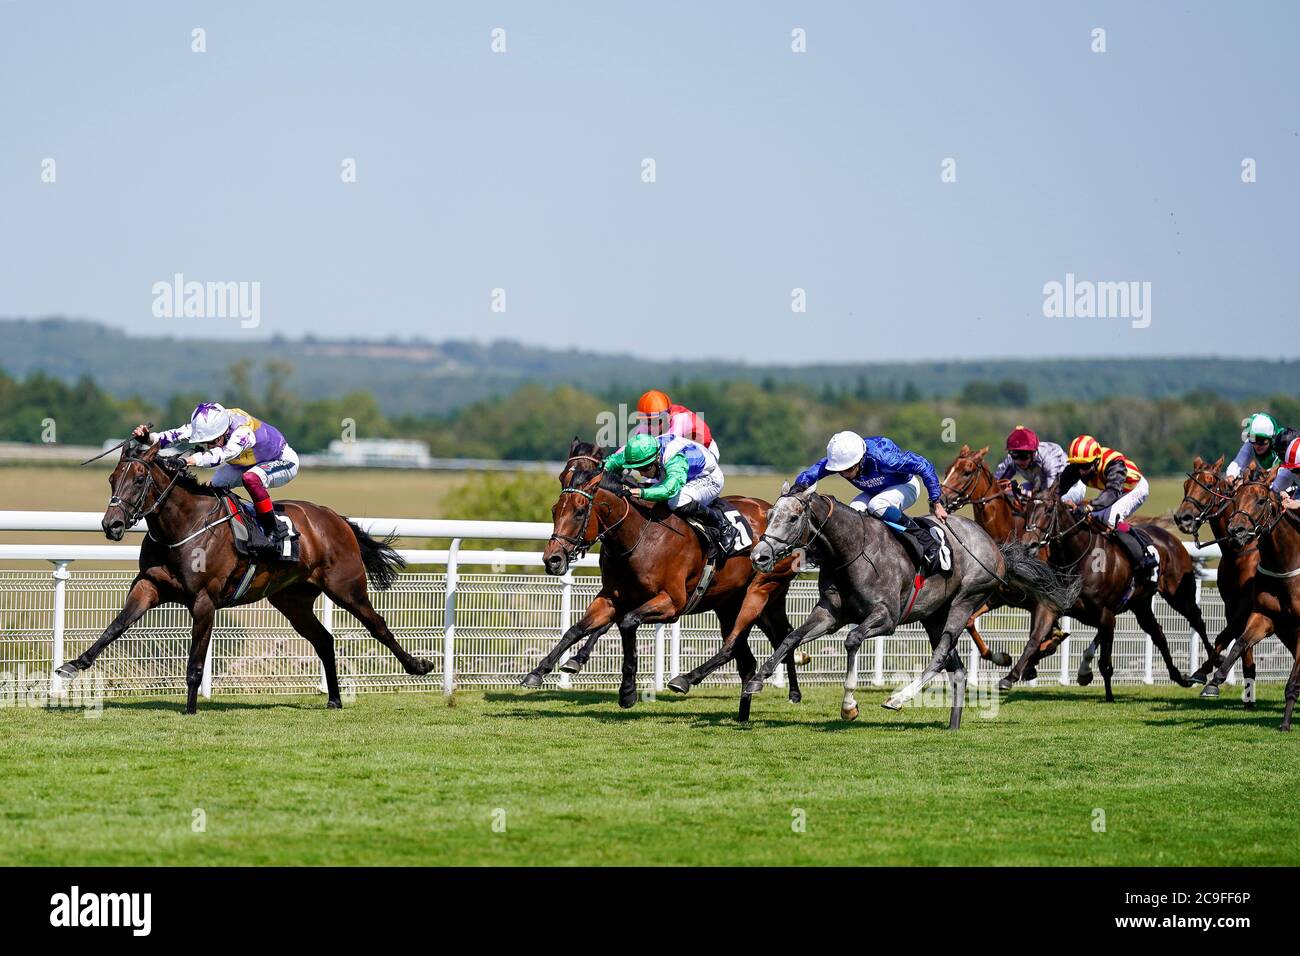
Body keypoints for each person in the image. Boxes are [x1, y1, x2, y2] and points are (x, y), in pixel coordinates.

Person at [134, 402, 298, 557]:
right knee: (214, 487)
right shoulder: (209, 425)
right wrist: (147, 439)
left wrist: (187, 460)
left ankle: (273, 532)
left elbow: (221, 455)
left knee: (251, 479)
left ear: (225, 431)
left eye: (213, 441)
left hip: (280, 460)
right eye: (206, 442)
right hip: (246, 463)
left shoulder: (243, 431)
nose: (210, 445)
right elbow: (172, 436)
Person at [791, 430, 951, 573]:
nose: (844, 474)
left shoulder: (884, 458)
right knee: (852, 512)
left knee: (877, 505)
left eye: (848, 470)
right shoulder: (842, 458)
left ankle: (925, 539)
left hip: (905, 485)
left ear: (860, 460)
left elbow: (924, 466)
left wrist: (936, 502)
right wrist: (795, 492)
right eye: (839, 471)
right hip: (875, 491)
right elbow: (809, 475)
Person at [603, 432, 737, 556]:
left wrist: (639, 492)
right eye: (636, 469)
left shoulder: (674, 458)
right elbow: (612, 462)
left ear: (656, 458)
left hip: (707, 477)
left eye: (645, 468)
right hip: (679, 475)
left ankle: (722, 526)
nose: (641, 473)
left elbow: (669, 489)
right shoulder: (639, 453)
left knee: (676, 501)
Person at [1058, 434, 1157, 581]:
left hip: (1133, 488)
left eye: (1085, 466)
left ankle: (1144, 553)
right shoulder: (1079, 465)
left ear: (1097, 459)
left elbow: (1112, 493)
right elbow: (1057, 489)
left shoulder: (1114, 463)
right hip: (1113, 491)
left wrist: (1088, 507)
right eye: (1077, 466)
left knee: (1112, 518)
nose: (1081, 471)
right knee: (1091, 520)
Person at [631, 389, 720, 460]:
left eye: (657, 421)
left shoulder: (681, 418)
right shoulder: (649, 423)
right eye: (648, 422)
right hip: (685, 454)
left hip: (706, 455)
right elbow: (630, 447)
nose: (652, 427)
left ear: (668, 415)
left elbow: (667, 444)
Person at [1226, 411, 1298, 492]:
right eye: (1253, 440)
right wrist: (1231, 475)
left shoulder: (1283, 443)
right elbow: (1239, 462)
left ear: (1272, 439)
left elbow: (1285, 474)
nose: (1257, 445)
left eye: (1261, 441)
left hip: (1287, 485)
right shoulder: (1250, 443)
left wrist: (1270, 488)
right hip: (1266, 484)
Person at [992, 425, 1067, 499]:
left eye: (1024, 456)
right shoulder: (1011, 460)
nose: (1018, 461)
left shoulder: (1049, 457)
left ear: (1033, 453)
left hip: (1065, 489)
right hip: (1038, 487)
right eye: (1014, 455)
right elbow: (995, 484)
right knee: (1006, 494)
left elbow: (1050, 495)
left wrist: (1024, 492)